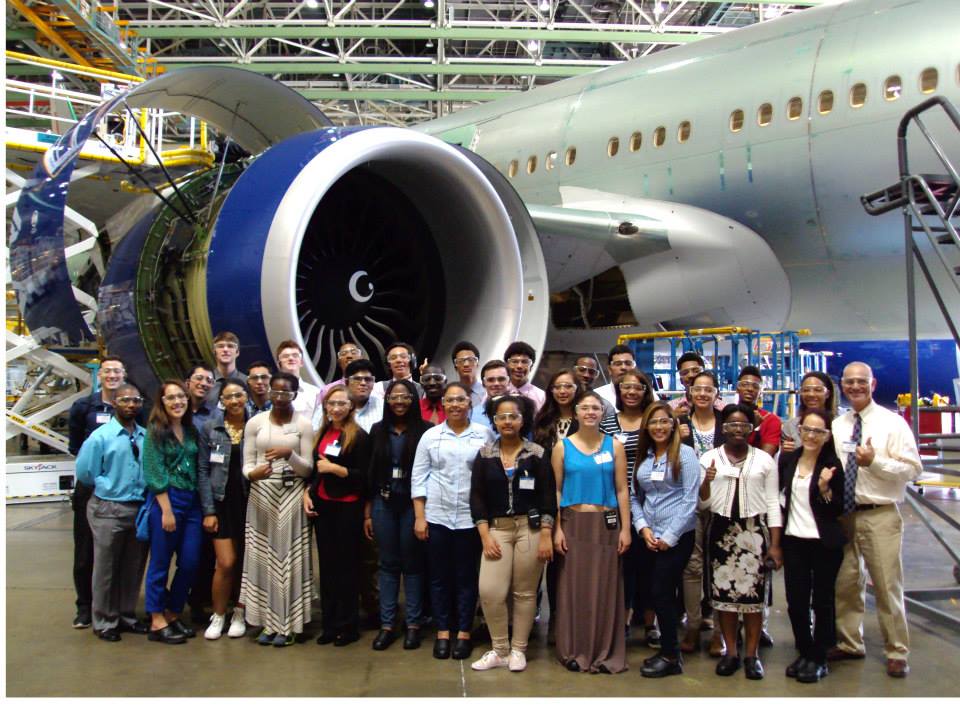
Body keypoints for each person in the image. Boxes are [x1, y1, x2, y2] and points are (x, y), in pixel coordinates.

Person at [829, 361, 922, 678]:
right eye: (849, 381)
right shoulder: (839, 424)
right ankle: (850, 642)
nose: (855, 386)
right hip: (846, 514)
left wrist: (875, 462)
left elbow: (912, 469)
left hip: (880, 514)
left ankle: (897, 649)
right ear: (842, 385)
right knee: (846, 583)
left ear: (873, 384)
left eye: (861, 381)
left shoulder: (892, 424)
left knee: (886, 585)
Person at [470, 396, 556, 673]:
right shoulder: (484, 455)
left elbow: (547, 497)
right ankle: (499, 649)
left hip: (529, 530)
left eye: (513, 416)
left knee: (525, 592)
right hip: (496, 530)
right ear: (494, 421)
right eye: (501, 417)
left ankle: (518, 649)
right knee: (490, 590)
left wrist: (546, 533)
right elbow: (477, 499)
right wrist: (484, 535)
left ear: (523, 420)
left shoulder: (538, 454)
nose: (507, 422)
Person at [412, 382, 495, 661]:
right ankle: (443, 632)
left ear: (469, 404)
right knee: (438, 577)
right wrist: (420, 517)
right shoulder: (431, 436)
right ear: (443, 404)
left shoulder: (484, 434)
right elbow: (418, 477)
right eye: (450, 400)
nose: (456, 404)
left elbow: (491, 477)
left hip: (471, 519)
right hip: (437, 516)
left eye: (461, 399)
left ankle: (464, 632)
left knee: (466, 577)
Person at [699, 403, 782, 680]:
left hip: (754, 533)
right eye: (732, 425)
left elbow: (772, 503)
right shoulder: (709, 458)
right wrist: (707, 482)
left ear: (751, 429)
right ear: (724, 429)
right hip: (721, 532)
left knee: (753, 600)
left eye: (743, 425)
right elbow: (702, 503)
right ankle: (730, 652)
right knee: (724, 599)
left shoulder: (764, 461)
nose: (737, 430)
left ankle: (751, 655)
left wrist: (775, 544)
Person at [552, 391, 631, 674]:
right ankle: (573, 649)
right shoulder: (562, 447)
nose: (590, 412)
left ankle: (602, 650)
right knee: (574, 589)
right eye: (584, 408)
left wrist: (626, 529)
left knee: (604, 588)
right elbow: (556, 489)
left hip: (607, 526)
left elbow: (622, 489)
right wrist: (557, 528)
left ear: (602, 413)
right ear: (575, 413)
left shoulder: (615, 446)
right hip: (573, 524)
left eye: (595, 408)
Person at [240, 372, 315, 647]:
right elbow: (247, 464)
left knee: (290, 560)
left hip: (293, 494)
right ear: (269, 393)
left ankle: (289, 624)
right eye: (276, 392)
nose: (280, 397)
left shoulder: (303, 424)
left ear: (295, 395)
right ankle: (268, 623)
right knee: (263, 560)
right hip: (261, 494)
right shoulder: (255, 423)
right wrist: (253, 474)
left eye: (286, 393)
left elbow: (308, 467)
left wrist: (289, 455)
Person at [67, 355, 140, 630]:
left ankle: (120, 610)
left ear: (124, 375)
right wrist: (103, 481)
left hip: (125, 492)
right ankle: (85, 607)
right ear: (99, 375)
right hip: (94, 491)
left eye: (117, 371)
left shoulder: (134, 410)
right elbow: (77, 449)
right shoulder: (84, 406)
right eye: (107, 371)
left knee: (121, 558)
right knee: (87, 552)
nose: (112, 375)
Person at [778, 408, 846, 683]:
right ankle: (804, 651)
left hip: (823, 543)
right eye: (807, 429)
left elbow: (839, 507)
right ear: (799, 429)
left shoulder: (832, 465)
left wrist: (825, 489)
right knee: (796, 601)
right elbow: (780, 497)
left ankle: (819, 657)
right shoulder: (789, 460)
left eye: (818, 431)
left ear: (827, 435)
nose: (811, 435)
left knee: (822, 601)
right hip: (794, 540)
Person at [632, 402, 700, 677]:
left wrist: (669, 536)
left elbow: (690, 499)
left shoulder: (685, 455)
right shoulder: (644, 458)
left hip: (677, 536)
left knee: (663, 591)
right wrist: (642, 528)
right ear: (646, 427)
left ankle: (672, 655)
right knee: (654, 592)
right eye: (653, 422)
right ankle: (666, 650)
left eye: (664, 421)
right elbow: (636, 496)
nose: (659, 427)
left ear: (673, 424)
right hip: (649, 535)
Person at [365, 380, 432, 651]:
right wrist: (368, 512)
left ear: (414, 400)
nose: (400, 401)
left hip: (413, 506)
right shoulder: (377, 430)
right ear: (387, 400)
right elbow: (370, 474)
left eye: (405, 397)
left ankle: (413, 625)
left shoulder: (426, 431)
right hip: (383, 503)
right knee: (388, 564)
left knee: (413, 565)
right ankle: (387, 624)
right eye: (394, 397)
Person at [304, 385, 371, 647]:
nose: (336, 408)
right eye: (331, 404)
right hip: (324, 506)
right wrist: (308, 492)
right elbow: (316, 470)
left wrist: (337, 469)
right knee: (328, 568)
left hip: (348, 507)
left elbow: (365, 477)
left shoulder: (360, 437)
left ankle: (348, 626)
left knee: (347, 568)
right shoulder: (322, 432)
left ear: (351, 407)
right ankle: (330, 625)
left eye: (342, 404)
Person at [598, 368, 657, 645]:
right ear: (618, 392)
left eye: (638, 387)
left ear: (646, 391)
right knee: (623, 566)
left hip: (654, 502)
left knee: (651, 565)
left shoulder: (653, 420)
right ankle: (622, 620)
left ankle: (650, 622)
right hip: (617, 501)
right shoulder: (608, 422)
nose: (632, 392)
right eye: (626, 387)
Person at [142, 379, 202, 645]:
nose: (177, 402)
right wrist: (166, 510)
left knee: (189, 562)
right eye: (171, 398)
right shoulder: (155, 431)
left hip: (192, 502)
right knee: (160, 563)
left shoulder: (191, 431)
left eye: (181, 397)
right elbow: (154, 472)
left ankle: (173, 612)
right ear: (162, 402)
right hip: (167, 500)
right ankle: (156, 620)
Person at [197, 379, 250, 641]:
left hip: (252, 503)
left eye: (239, 395)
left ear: (246, 397)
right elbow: (204, 471)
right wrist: (208, 510)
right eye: (228, 397)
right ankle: (219, 614)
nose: (234, 401)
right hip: (222, 503)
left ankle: (239, 613)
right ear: (222, 401)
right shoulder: (210, 428)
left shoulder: (257, 425)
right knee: (226, 562)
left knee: (246, 564)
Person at [678, 371, 726, 654]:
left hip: (722, 502)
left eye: (709, 390)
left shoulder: (726, 423)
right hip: (688, 502)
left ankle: (720, 631)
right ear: (690, 393)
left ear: (716, 394)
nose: (703, 394)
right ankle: (693, 627)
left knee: (719, 565)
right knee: (693, 566)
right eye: (698, 389)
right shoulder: (680, 424)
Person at [533, 369, 580, 642]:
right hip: (546, 493)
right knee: (551, 560)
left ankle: (573, 621)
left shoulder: (586, 417)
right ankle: (554, 620)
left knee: (573, 559)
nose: (562, 391)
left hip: (577, 494)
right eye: (557, 387)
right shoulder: (543, 420)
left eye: (568, 386)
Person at [781, 371, 838, 453]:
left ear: (828, 394)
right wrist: (785, 452)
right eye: (806, 390)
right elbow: (785, 462)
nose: (811, 394)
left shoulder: (839, 424)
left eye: (818, 390)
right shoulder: (791, 427)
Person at [737, 366, 781, 457]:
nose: (750, 389)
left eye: (755, 386)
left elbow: (765, 459)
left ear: (760, 391)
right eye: (745, 384)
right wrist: (751, 428)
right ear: (737, 388)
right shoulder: (726, 416)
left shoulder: (771, 420)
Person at [670, 351, 725, 420]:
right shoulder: (671, 408)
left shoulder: (722, 408)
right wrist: (672, 418)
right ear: (681, 380)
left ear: (704, 374)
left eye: (696, 371)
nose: (691, 375)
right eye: (685, 373)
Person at [275, 340, 322, 421]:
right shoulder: (272, 392)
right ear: (279, 364)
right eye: (286, 356)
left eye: (295, 355)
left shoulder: (315, 392)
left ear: (302, 362)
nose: (291, 358)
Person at [503, 341, 545, 413]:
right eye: (515, 361)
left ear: (531, 367)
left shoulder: (541, 396)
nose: (519, 366)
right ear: (507, 365)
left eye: (525, 362)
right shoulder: (499, 391)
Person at [206, 331, 247, 403]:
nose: (225, 350)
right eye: (220, 346)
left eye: (230, 346)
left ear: (237, 352)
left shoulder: (247, 382)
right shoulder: (206, 382)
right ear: (214, 352)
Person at [345, 359, 384, 432]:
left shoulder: (383, 406)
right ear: (347, 382)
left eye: (368, 379)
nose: (363, 383)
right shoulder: (333, 406)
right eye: (357, 379)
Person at [471, 360, 512, 428]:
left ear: (509, 381)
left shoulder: (520, 411)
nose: (496, 383)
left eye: (501, 379)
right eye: (490, 380)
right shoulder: (472, 415)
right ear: (483, 383)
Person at [451, 341, 485, 407]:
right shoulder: (450, 394)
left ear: (477, 364)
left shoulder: (487, 392)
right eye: (461, 361)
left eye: (471, 360)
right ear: (455, 367)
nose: (466, 364)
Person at [186, 365, 215, 433]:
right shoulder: (177, 411)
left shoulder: (218, 415)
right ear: (187, 383)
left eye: (209, 381)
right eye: (199, 378)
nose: (204, 383)